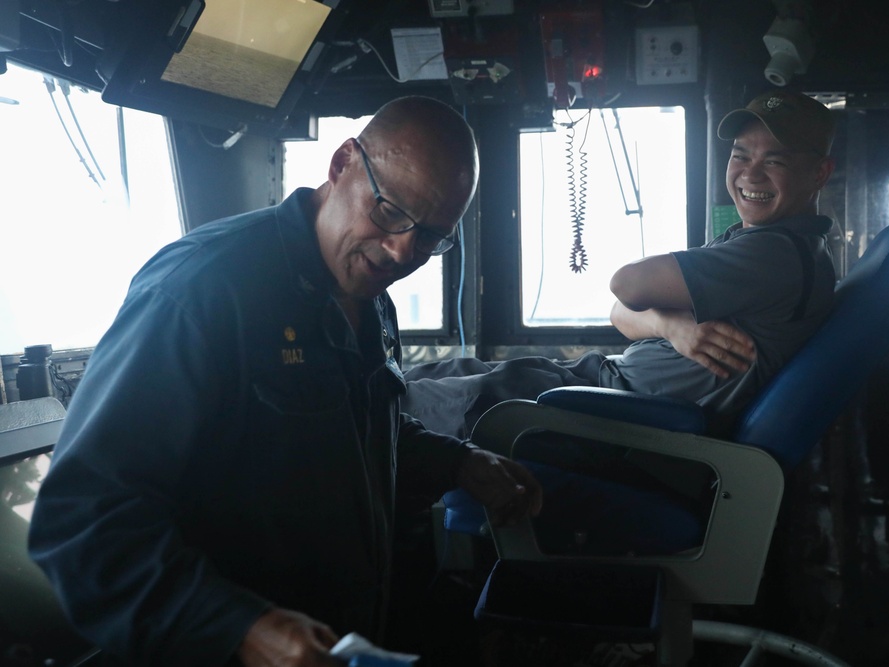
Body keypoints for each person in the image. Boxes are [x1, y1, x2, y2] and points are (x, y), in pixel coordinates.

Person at [27, 96, 542, 667]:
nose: (402, 251)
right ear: (343, 162)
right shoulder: (203, 289)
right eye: (391, 211)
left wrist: (457, 463)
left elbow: (351, 441)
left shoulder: (370, 299)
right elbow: (80, 520)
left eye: (430, 237)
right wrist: (241, 629)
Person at [403, 89, 838, 439]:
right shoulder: (762, 243)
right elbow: (620, 313)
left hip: (608, 414)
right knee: (425, 377)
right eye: (741, 155)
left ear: (819, 173)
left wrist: (658, 317)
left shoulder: (775, 253)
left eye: (775, 160)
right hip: (601, 386)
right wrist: (672, 327)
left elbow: (627, 285)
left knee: (399, 408)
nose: (750, 174)